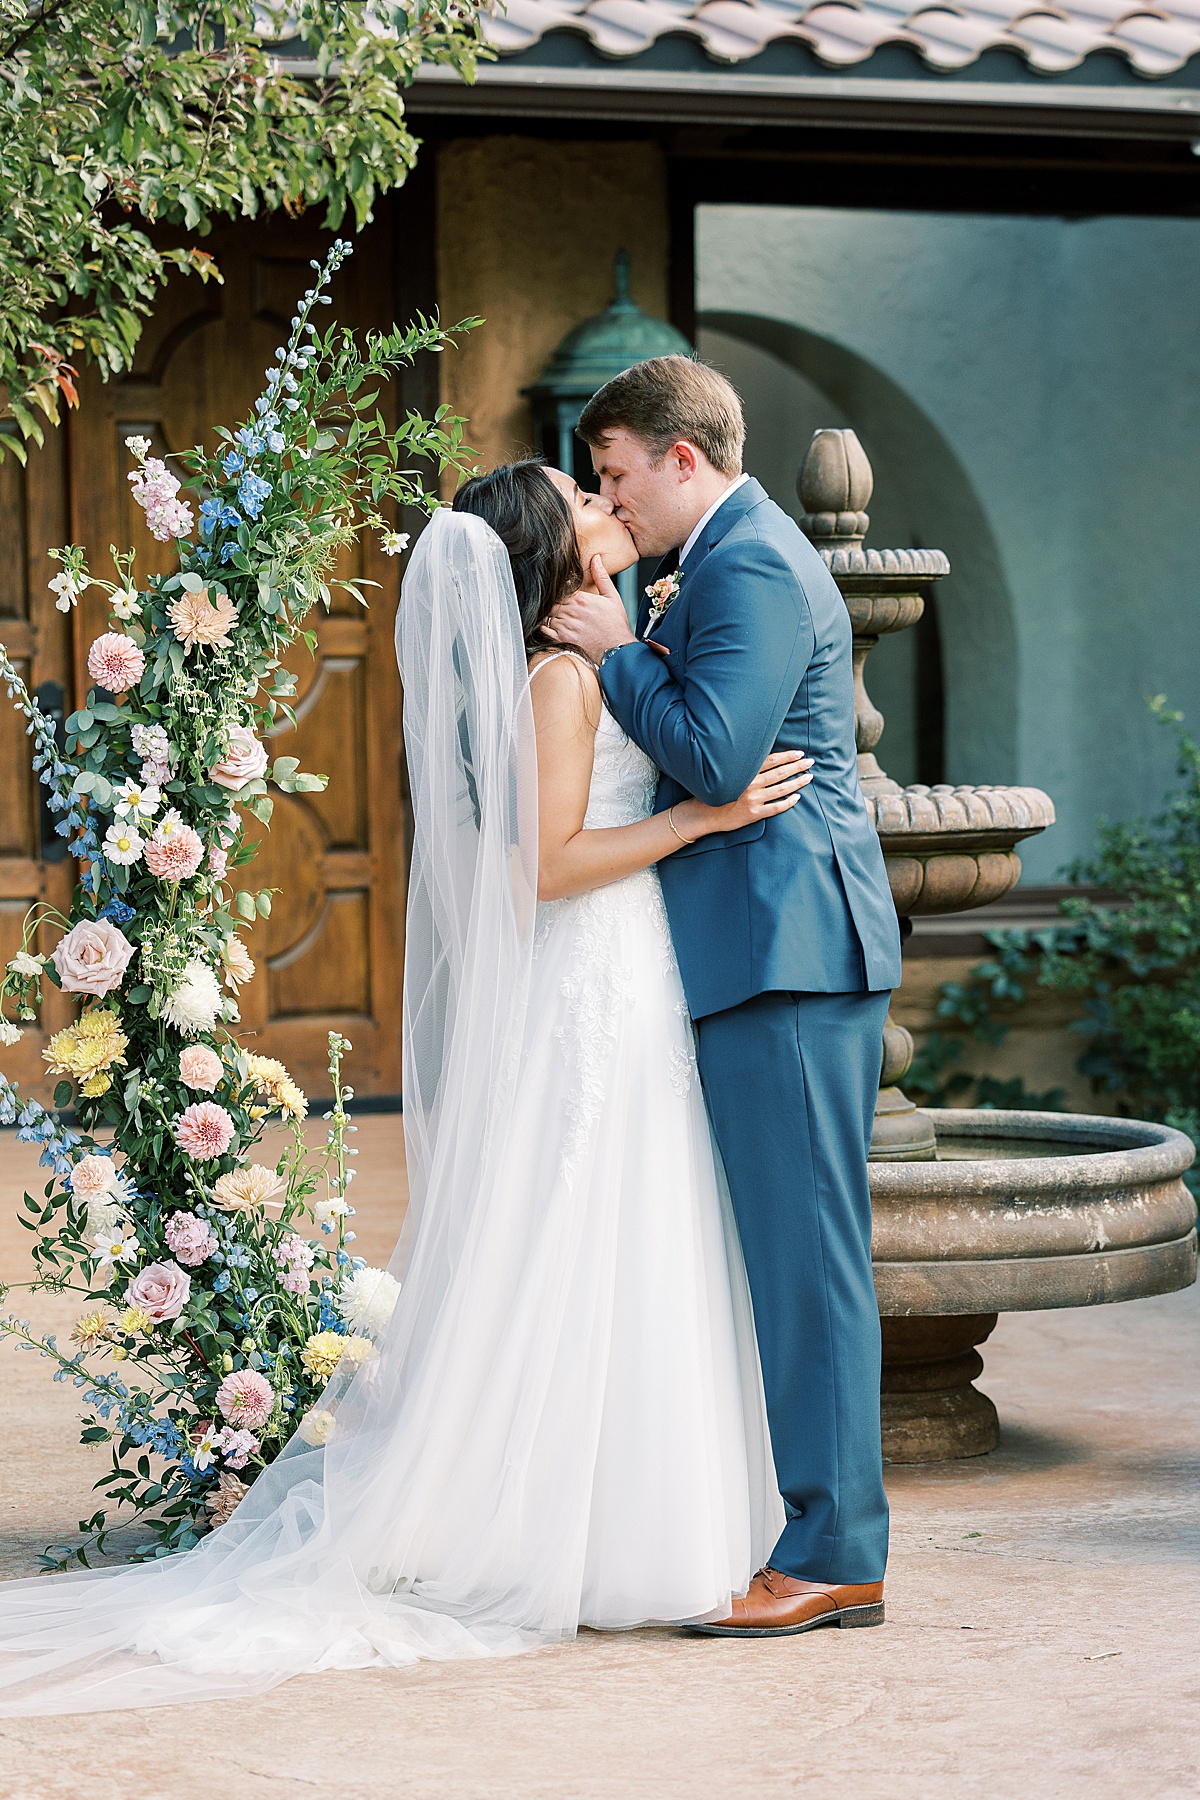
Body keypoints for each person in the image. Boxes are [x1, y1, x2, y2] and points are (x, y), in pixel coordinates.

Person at [0, 460, 817, 1717]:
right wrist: (700, 826)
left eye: (607, 490)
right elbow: (541, 868)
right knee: (585, 1223)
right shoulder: (558, 682)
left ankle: (636, 1514)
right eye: (586, 501)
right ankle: (551, 1528)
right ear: (555, 560)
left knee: (638, 1230)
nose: (610, 510)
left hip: (626, 972)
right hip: (593, 966)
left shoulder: (595, 663)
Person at [547, 355, 902, 1637]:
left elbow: (716, 754)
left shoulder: (748, 562)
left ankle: (833, 1554)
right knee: (791, 1259)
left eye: (620, 474)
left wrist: (613, 647)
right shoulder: (722, 553)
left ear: (682, 459)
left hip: (787, 954)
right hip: (762, 952)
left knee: (810, 1266)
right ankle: (816, 1535)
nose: (612, 498)